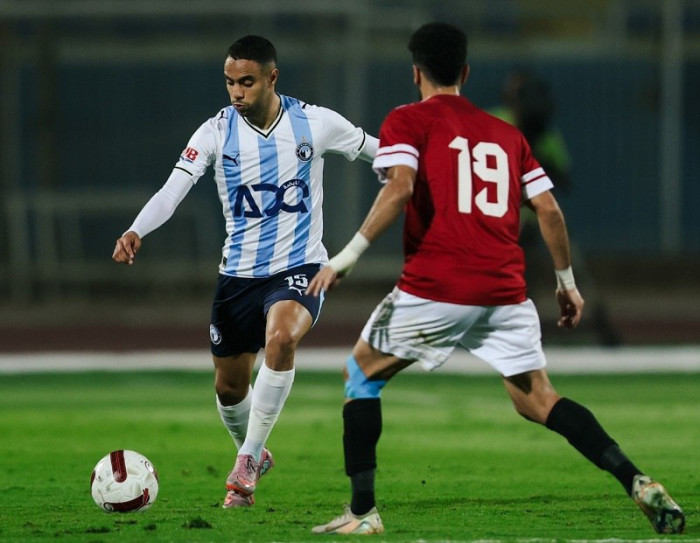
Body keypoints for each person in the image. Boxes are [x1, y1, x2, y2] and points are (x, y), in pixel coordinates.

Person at [307, 22, 684, 535]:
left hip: (437, 284)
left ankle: (362, 512)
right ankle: (636, 479)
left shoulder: (407, 119)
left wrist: (345, 257)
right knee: (537, 398)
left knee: (361, 375)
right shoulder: (507, 135)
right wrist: (567, 284)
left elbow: (399, 188)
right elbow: (549, 209)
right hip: (505, 290)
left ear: (415, 72)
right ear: (465, 72)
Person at [112, 35, 378, 508]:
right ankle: (252, 451)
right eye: (230, 82)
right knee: (230, 387)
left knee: (282, 337)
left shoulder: (315, 123)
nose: (236, 92)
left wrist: (425, 167)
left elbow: (379, 152)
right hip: (238, 277)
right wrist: (137, 229)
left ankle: (248, 460)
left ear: (272, 78)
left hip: (300, 265)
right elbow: (173, 190)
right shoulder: (215, 132)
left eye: (247, 82)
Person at [493, 69, 621, 346]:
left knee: (545, 267)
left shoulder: (545, 135)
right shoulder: (495, 122)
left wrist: (538, 158)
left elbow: (563, 179)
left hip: (533, 216)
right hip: (495, 216)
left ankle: (525, 325)